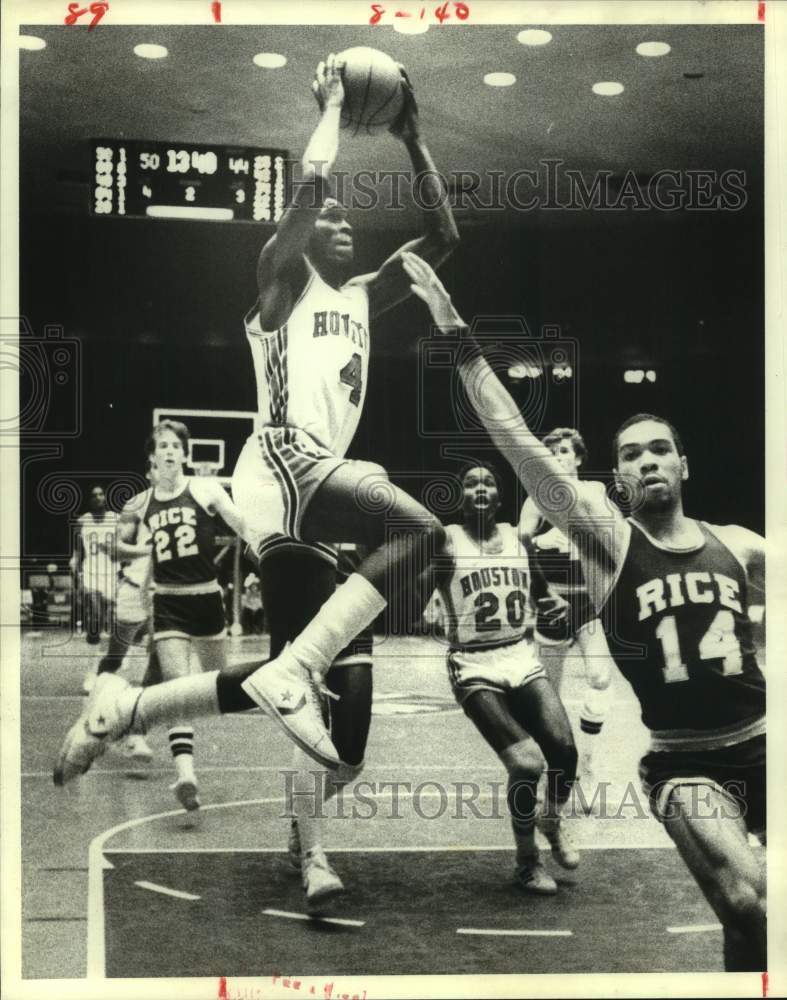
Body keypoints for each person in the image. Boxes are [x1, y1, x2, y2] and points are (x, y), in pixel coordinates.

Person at [54, 54, 457, 804]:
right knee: (425, 534)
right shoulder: (279, 279)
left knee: (275, 668)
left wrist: (412, 136)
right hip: (278, 463)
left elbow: (442, 238)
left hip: (307, 477)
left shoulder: (365, 296)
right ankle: (303, 669)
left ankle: (125, 708)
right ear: (301, 236)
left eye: (346, 216)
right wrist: (332, 109)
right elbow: (307, 193)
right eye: (328, 217)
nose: (341, 221)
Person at [402, 250, 766, 972]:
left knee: (753, 927)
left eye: (661, 449)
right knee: (750, 899)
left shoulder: (743, 547)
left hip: (765, 743)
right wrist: (455, 330)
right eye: (631, 455)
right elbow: (514, 437)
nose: (648, 460)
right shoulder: (607, 541)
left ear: (683, 466)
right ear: (619, 476)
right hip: (686, 763)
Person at [428, 463, 580, 894]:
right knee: (527, 763)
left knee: (564, 752)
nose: (480, 488)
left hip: (519, 654)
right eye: (470, 482)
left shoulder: (520, 539)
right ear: (461, 496)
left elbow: (542, 592)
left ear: (499, 497)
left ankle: (551, 818)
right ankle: (526, 861)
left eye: (488, 482)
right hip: (473, 664)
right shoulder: (446, 542)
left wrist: (556, 604)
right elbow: (416, 590)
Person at [114, 420, 246, 810]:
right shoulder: (137, 503)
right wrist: (145, 550)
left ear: (185, 454)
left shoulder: (205, 489)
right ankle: (185, 775)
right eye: (163, 446)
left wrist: (264, 538)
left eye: (176, 446)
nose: (170, 451)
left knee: (222, 687)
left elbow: (241, 523)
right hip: (168, 602)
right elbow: (118, 548)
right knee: (176, 688)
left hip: (207, 599)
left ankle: (135, 719)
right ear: (152, 456)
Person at [519, 428, 616, 802]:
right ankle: (558, 772)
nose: (557, 456)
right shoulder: (537, 499)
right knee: (549, 699)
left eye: (563, 451)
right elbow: (521, 545)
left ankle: (588, 770)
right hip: (553, 606)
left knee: (601, 679)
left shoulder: (595, 493)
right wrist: (537, 545)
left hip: (588, 605)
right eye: (552, 452)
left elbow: (615, 539)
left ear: (577, 457)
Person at [71, 485, 118, 693]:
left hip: (112, 576)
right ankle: (91, 673)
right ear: (89, 500)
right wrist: (77, 577)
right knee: (95, 619)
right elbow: (76, 554)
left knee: (113, 625)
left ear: (105, 497)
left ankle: (108, 671)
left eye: (101, 494)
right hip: (90, 575)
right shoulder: (82, 522)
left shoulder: (116, 520)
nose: (98, 497)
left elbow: (123, 547)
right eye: (94, 495)